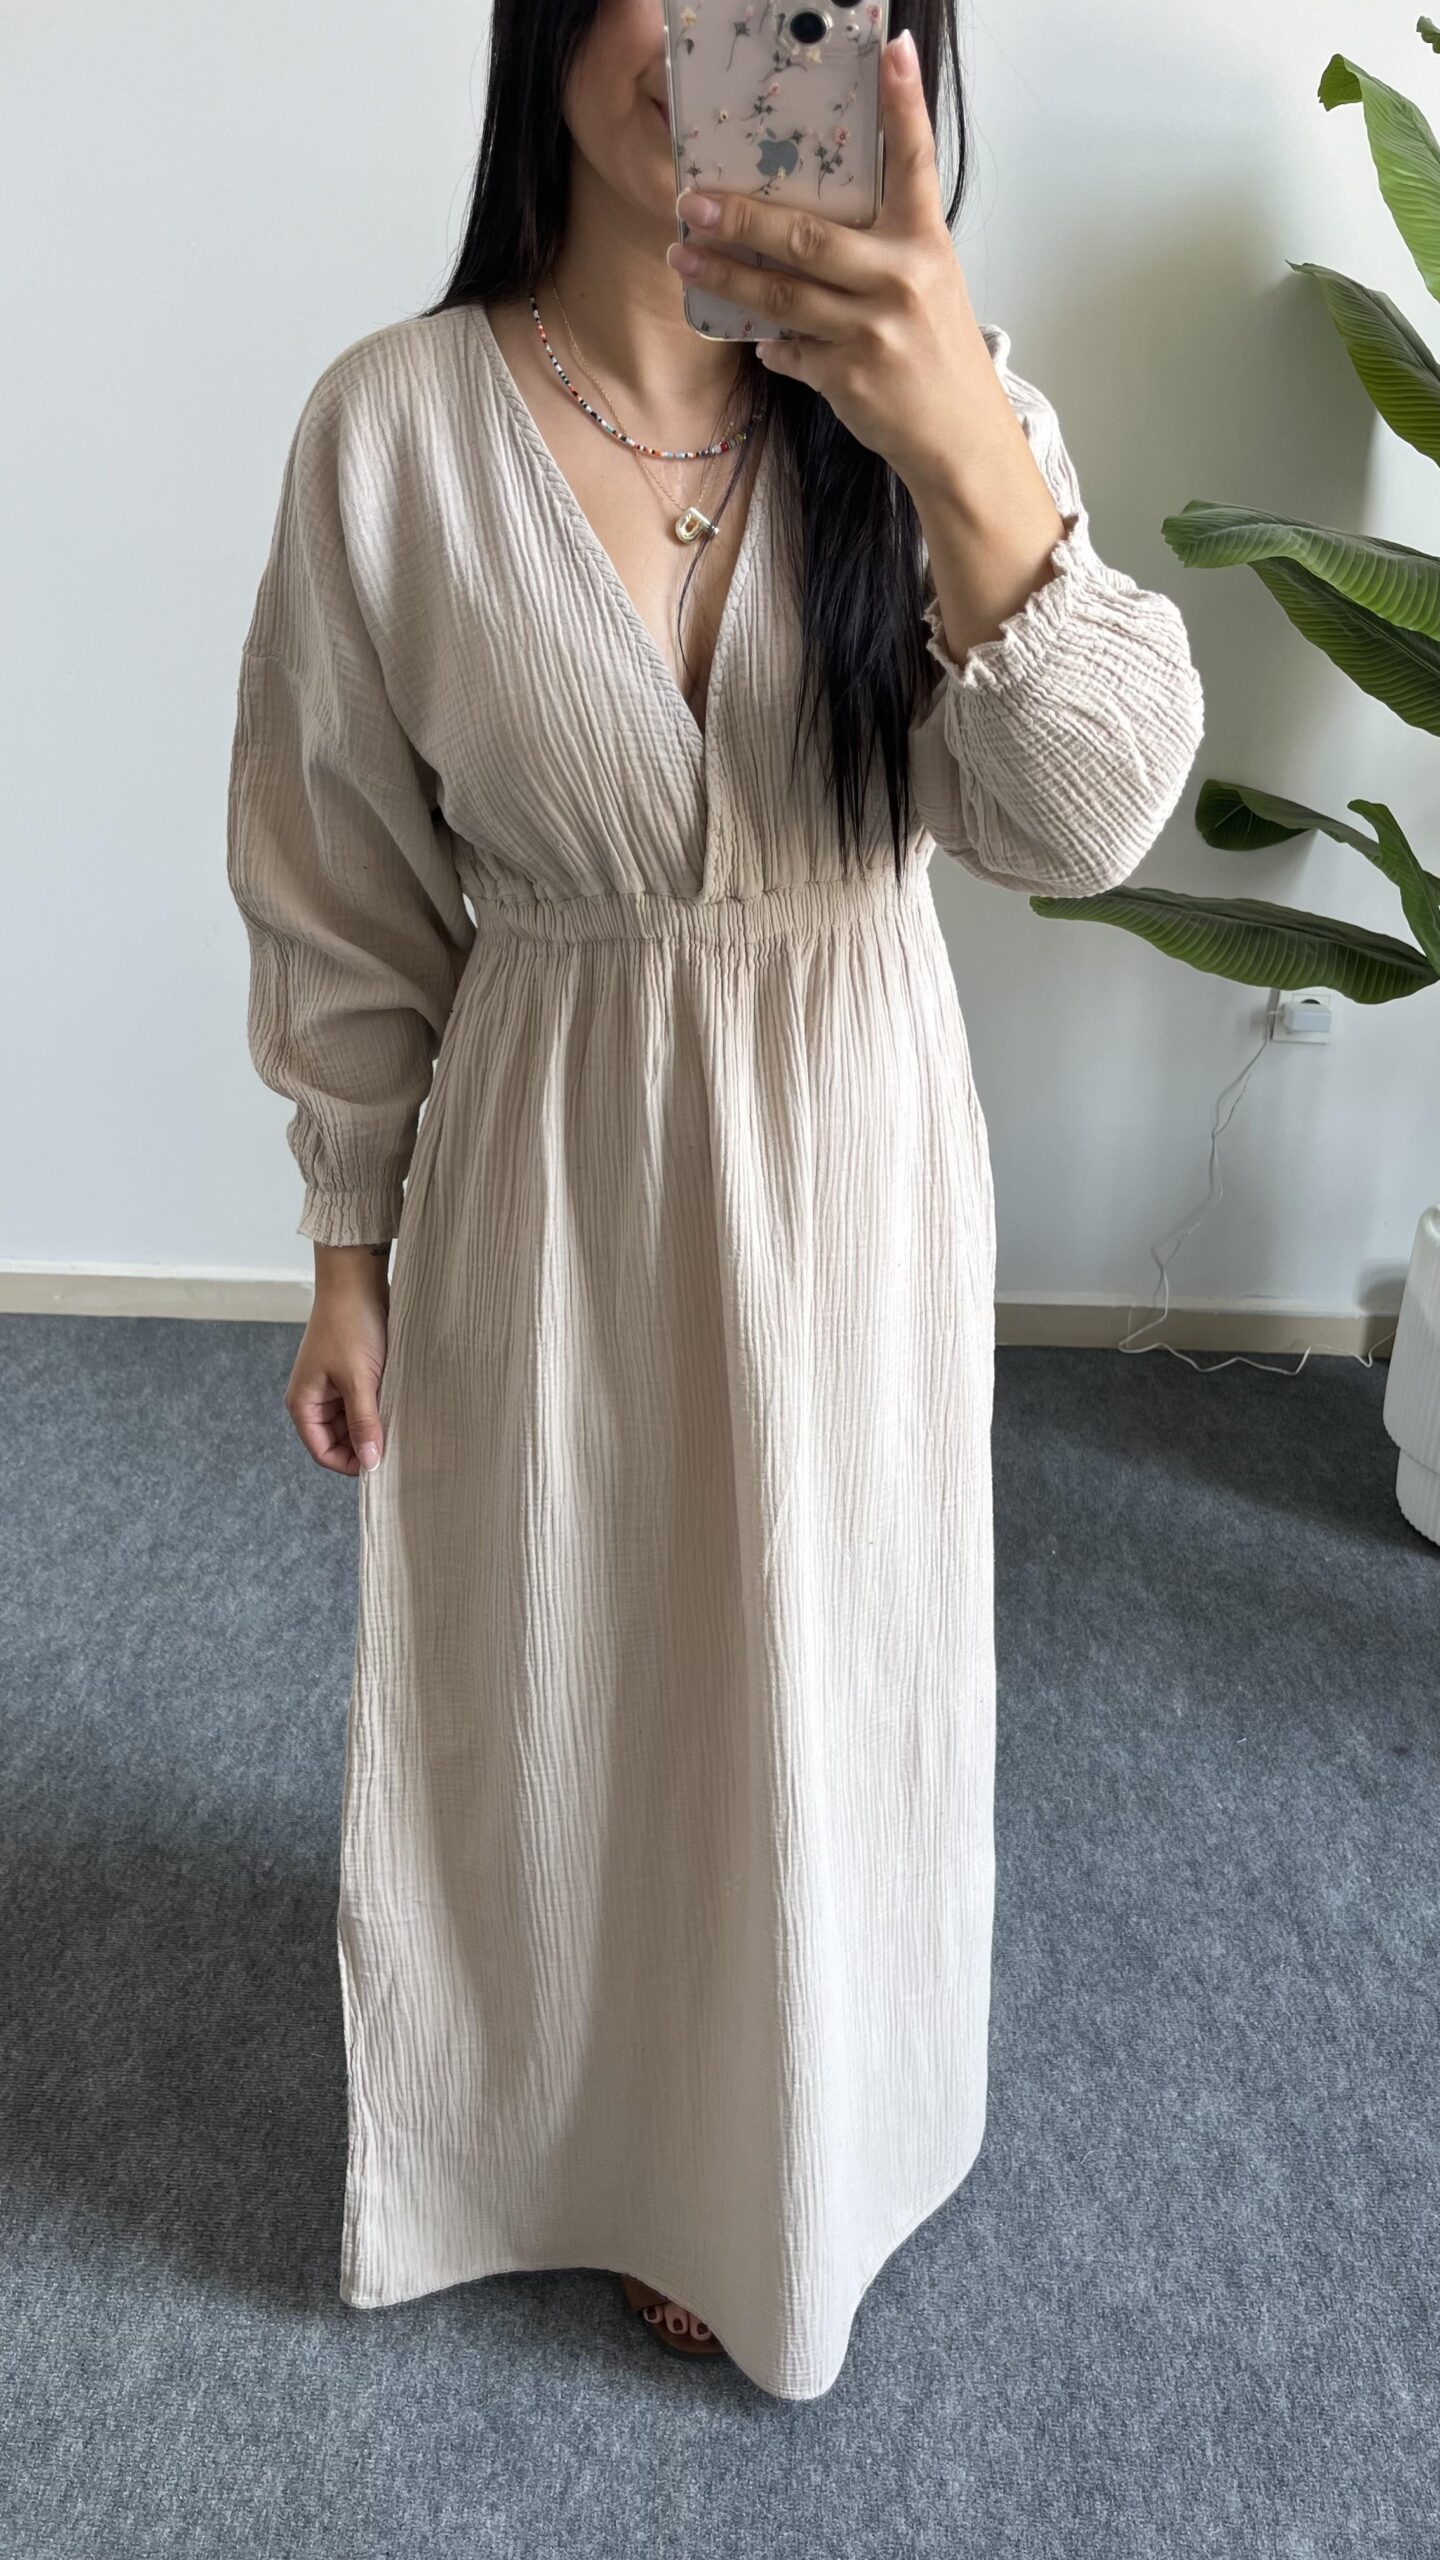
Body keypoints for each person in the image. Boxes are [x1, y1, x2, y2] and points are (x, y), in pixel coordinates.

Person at [225, 0, 1204, 2399]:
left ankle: (794, 2140)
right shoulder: (390, 429)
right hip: (551, 1155)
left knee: (826, 1653)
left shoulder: (936, 400)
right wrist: (347, 1242)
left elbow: (1088, 816)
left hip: (850, 1144)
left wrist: (950, 426)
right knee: (571, 1641)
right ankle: (584, 2125)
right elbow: (341, 883)